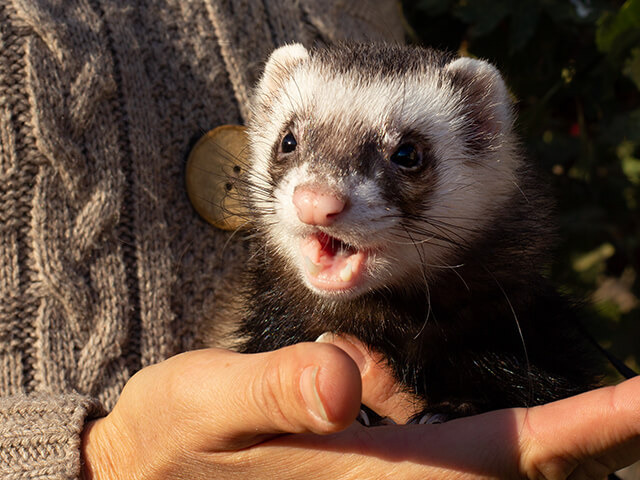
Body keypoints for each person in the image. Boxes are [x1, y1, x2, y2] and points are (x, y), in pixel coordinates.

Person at [0, 1, 638, 478]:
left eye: (407, 157)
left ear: (481, 140)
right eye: (289, 146)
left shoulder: (528, 343)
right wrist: (105, 462)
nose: (318, 197)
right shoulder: (273, 326)